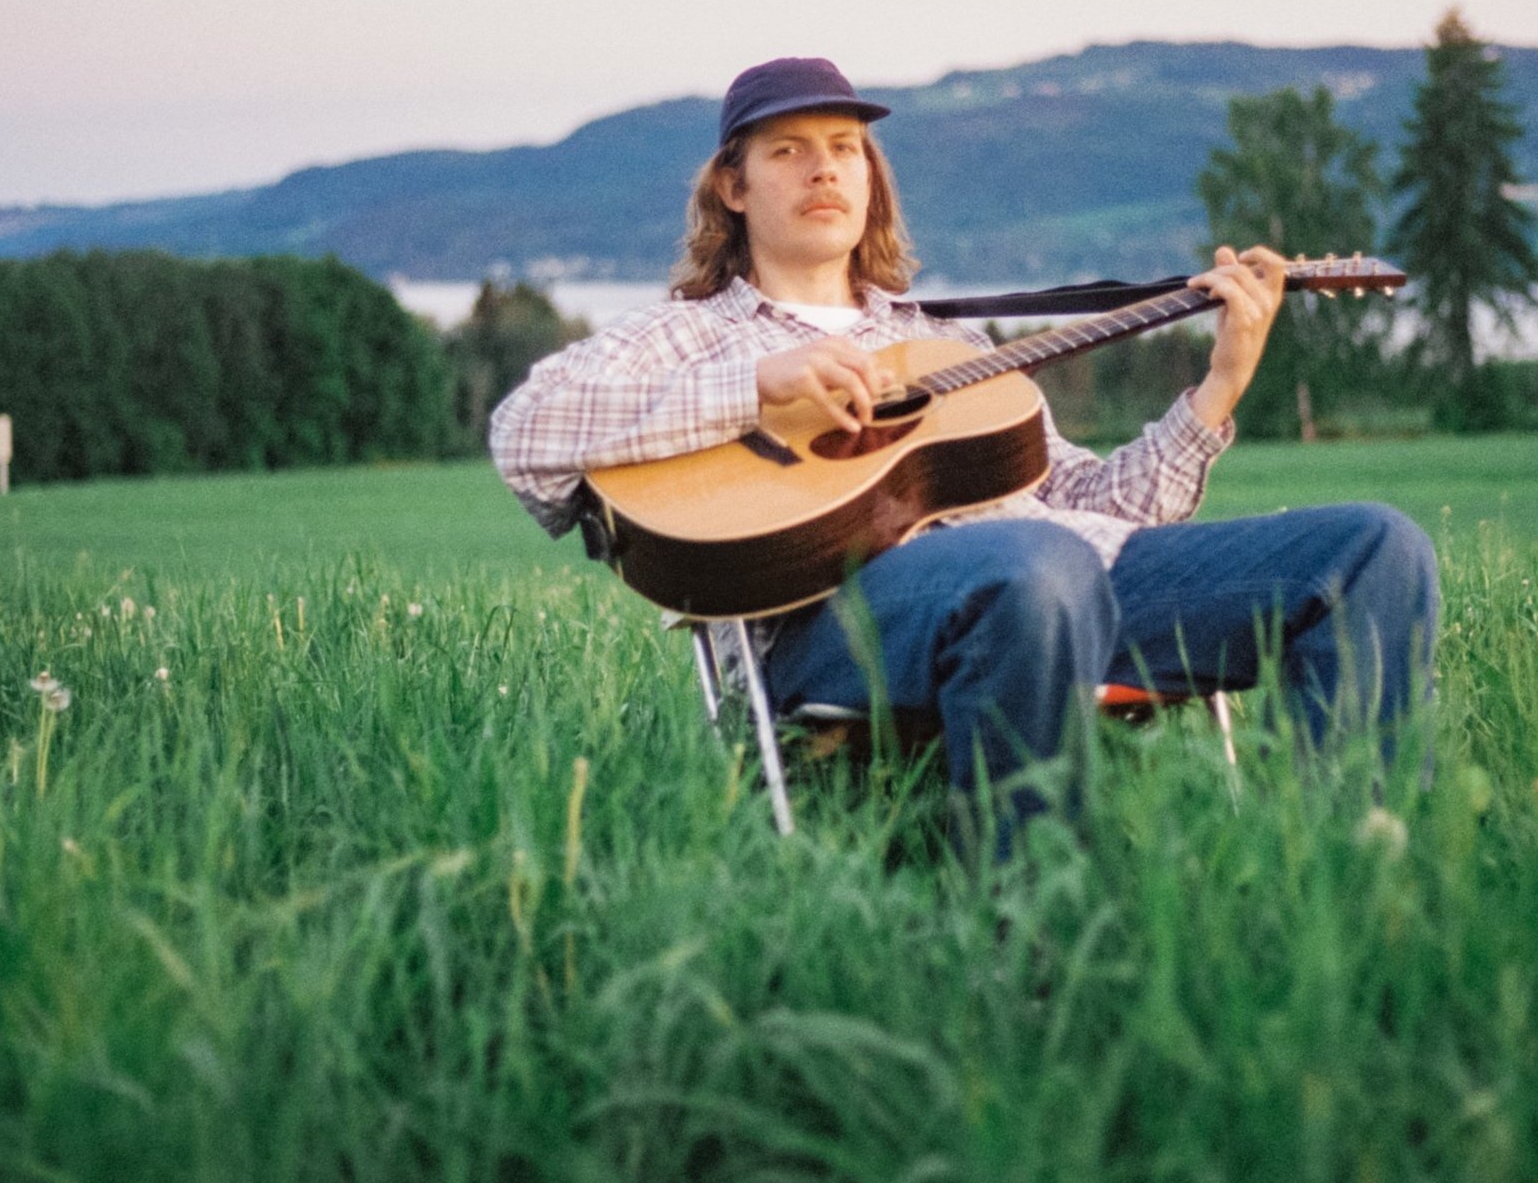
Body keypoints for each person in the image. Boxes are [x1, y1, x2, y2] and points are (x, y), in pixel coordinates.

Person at [491, 57, 1437, 841]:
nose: (824, 170)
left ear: (870, 178)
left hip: (1061, 577)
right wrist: (757, 385)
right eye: (789, 151)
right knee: (1036, 562)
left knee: (1373, 549)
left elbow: (1097, 509)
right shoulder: (686, 336)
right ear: (733, 188)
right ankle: (1037, 924)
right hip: (837, 625)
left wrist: (1219, 385)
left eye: (845, 149)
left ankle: (1351, 879)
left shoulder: (947, 346)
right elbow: (524, 432)